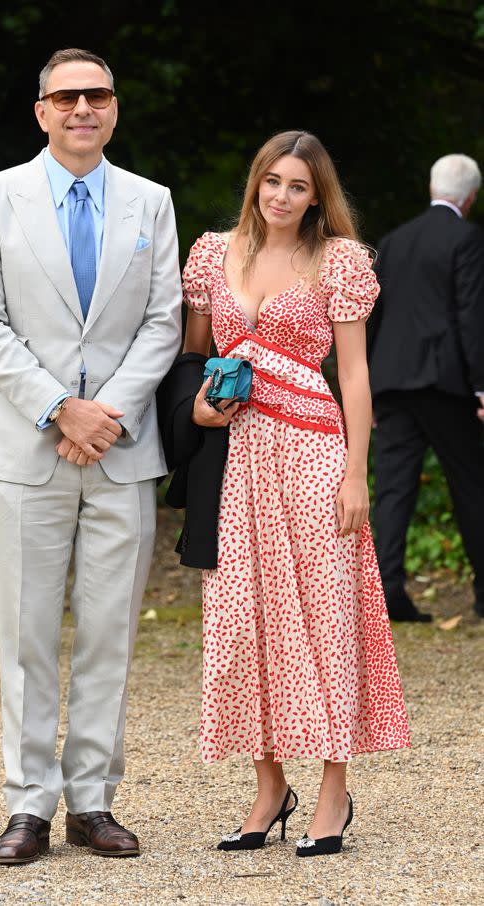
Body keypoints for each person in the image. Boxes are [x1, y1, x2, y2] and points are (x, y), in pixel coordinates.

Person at [0, 47, 182, 864]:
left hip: (120, 450)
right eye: (67, 97)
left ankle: (92, 801)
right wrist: (60, 409)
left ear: (114, 109)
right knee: (25, 634)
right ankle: (28, 806)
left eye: (97, 96)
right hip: (25, 444)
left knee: (108, 632)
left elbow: (164, 320)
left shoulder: (151, 202)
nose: (83, 108)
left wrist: (108, 415)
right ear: (42, 110)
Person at [180, 129, 410, 858]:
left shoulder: (338, 261)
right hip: (236, 456)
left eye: (298, 186)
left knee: (323, 614)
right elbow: (194, 356)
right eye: (272, 181)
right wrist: (197, 405)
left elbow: (355, 377)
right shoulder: (212, 253)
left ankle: (334, 790)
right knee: (242, 617)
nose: (281, 196)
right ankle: (269, 786)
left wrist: (355, 472)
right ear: (255, 182)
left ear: (317, 197)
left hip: (312, 451)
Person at [366, 153, 484, 623]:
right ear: (470, 197)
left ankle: (387, 592)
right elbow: (471, 316)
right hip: (444, 382)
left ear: (432, 187)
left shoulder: (394, 241)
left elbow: (371, 315)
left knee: (392, 489)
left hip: (391, 380)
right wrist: (481, 386)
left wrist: (370, 385)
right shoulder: (467, 238)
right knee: (471, 485)